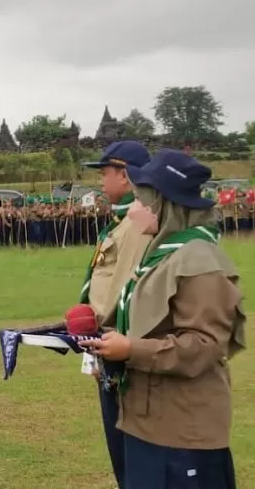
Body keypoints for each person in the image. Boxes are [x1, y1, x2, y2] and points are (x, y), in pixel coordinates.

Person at [80, 149, 246, 489]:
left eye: (141, 200)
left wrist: (130, 350)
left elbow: (204, 347)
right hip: (146, 420)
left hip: (182, 431)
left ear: (161, 205)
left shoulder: (199, 261)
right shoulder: (163, 255)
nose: (134, 210)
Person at [79, 140, 153, 487]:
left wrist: (99, 337)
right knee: (121, 449)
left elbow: (127, 290)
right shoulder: (123, 222)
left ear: (124, 175)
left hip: (118, 345)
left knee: (129, 451)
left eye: (105, 172)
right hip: (106, 342)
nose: (101, 181)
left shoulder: (135, 225)